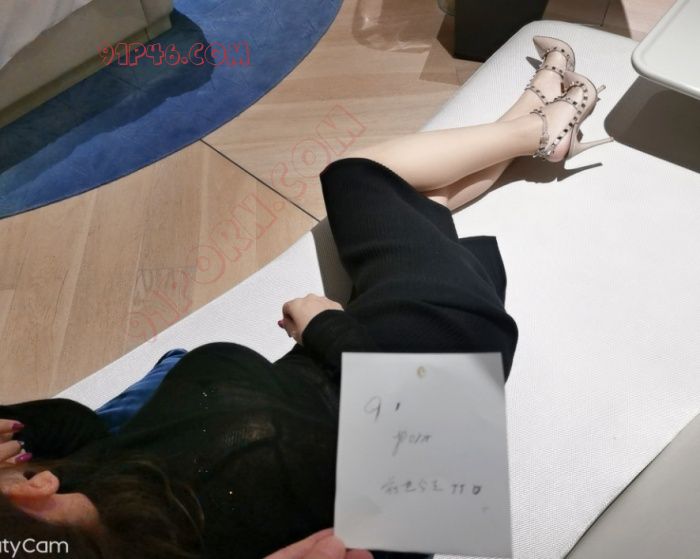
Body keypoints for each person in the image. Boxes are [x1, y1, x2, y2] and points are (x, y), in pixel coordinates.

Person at [0, 37, 609, 559]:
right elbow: (439, 470)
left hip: (371, 345)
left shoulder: (96, 515)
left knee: (425, 203)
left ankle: (538, 122)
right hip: (436, 351)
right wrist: (323, 328)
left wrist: (26, 429)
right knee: (357, 173)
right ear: (30, 493)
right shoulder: (242, 503)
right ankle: (544, 124)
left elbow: (89, 435)